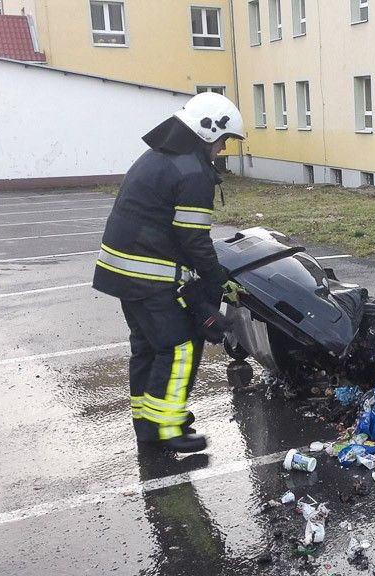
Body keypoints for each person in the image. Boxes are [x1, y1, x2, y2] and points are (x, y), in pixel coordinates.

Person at [93, 92, 245, 453]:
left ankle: (148, 425)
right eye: (223, 140)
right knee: (179, 348)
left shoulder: (161, 157)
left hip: (123, 270)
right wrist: (217, 280)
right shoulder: (192, 173)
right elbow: (194, 240)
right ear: (208, 132)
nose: (223, 148)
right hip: (147, 274)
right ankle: (168, 427)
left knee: (147, 348)